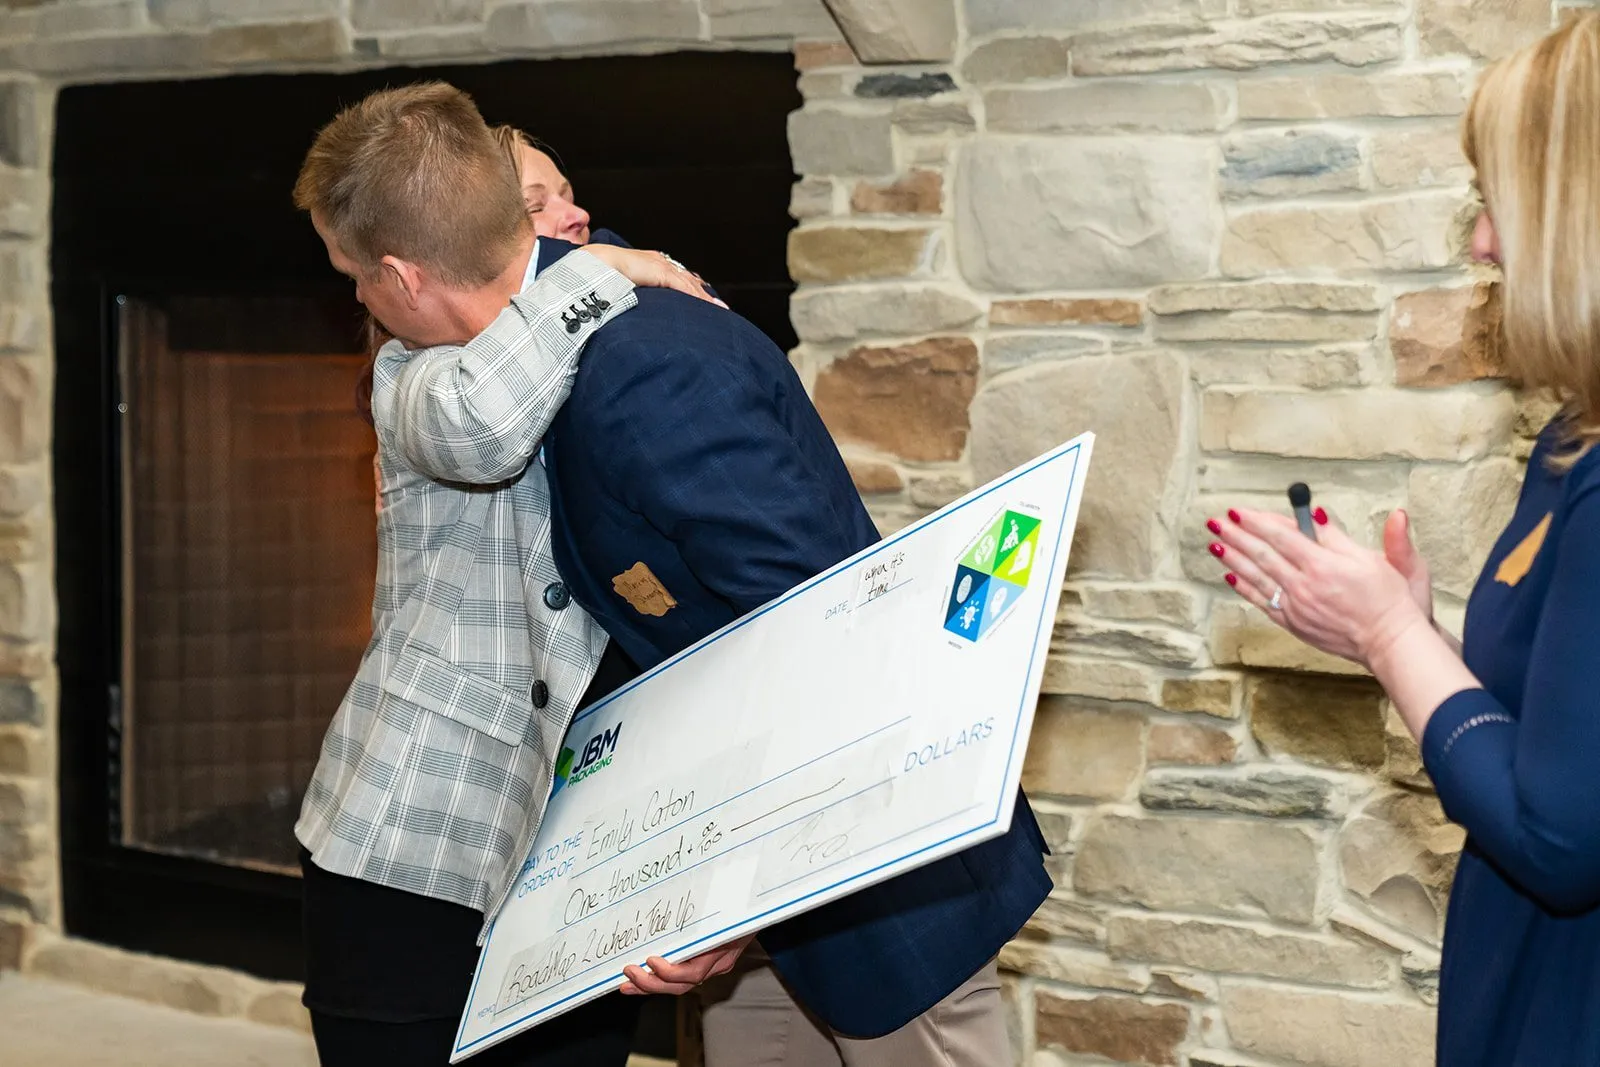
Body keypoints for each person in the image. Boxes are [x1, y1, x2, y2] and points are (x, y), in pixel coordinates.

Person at [291, 82, 719, 1067]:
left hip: (572, 847)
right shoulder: (412, 376)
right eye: (533, 210)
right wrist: (601, 268)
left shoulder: (615, 343)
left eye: (564, 200)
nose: (570, 222)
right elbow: (484, 427)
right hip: (413, 844)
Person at [1205, 15, 1600, 1066]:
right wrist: (1411, 633)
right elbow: (1558, 727)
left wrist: (1390, 637)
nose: (1482, 243)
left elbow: (1561, 836)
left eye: (1497, 202)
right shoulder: (1572, 439)